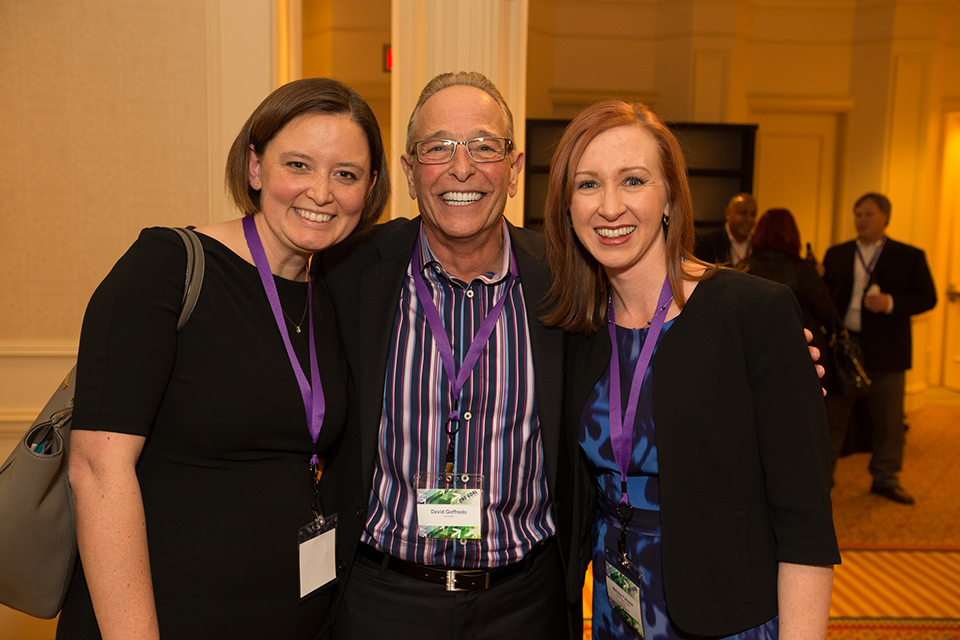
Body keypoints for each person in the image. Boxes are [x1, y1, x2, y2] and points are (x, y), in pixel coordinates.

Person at [56, 78, 389, 639]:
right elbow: (96, 469)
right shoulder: (165, 269)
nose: (322, 192)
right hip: (163, 620)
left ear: (371, 187)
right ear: (255, 168)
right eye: (299, 165)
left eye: (346, 174)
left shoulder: (327, 297)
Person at [542, 100, 839, 639]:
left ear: (670, 199)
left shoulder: (752, 314)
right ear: (566, 207)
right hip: (616, 611)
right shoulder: (576, 329)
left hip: (725, 619)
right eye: (587, 185)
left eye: (633, 180)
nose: (610, 207)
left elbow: (805, 523)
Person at [316, 72, 583, 640]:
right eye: (438, 148)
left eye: (485, 147)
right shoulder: (348, 272)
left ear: (513, 171)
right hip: (381, 598)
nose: (462, 169)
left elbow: (650, 324)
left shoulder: (565, 279)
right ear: (411, 174)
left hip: (523, 603)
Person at [821, 193, 937, 505]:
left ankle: (885, 477)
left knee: (888, 418)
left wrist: (890, 303)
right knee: (833, 415)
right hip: (846, 348)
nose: (861, 220)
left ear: (886, 217)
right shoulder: (838, 254)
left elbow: (928, 298)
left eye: (868, 214)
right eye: (858, 214)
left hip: (887, 349)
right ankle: (822, 475)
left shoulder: (909, 256)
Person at [743, 208, 837, 383]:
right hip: (803, 349)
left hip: (756, 350)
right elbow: (827, 311)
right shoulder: (802, 269)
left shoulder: (743, 268)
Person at [694, 192, 758, 264]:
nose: (749, 219)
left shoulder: (758, 245)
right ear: (728, 213)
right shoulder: (706, 243)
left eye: (753, 214)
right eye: (742, 213)